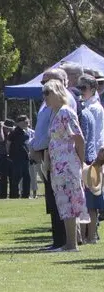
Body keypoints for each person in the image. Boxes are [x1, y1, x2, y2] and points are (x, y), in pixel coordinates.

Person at [43, 78, 87, 251]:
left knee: (70, 202)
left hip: (68, 165)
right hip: (59, 166)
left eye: (48, 93)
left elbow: (79, 139)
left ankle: (71, 244)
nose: (44, 97)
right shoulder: (55, 113)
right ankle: (72, 241)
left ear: (57, 93)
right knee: (64, 202)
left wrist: (81, 163)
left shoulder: (65, 112)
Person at [30, 68, 71, 250]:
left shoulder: (65, 102)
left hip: (57, 154)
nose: (43, 87)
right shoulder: (47, 102)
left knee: (59, 199)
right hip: (46, 153)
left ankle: (64, 240)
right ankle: (58, 239)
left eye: (47, 82)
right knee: (52, 199)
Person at [77, 74, 104, 243]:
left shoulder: (94, 108)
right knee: (87, 198)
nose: (81, 91)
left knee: (92, 199)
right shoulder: (85, 106)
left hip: (93, 156)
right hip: (90, 155)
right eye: (79, 88)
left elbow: (96, 135)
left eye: (84, 88)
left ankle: (91, 234)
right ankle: (89, 234)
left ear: (93, 89)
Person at [7, 117, 32, 199]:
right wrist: (9, 154)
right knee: (16, 178)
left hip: (25, 158)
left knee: (27, 177)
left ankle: (26, 195)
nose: (27, 124)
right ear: (19, 122)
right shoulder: (14, 132)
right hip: (16, 158)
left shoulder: (25, 132)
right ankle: (14, 195)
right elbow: (8, 143)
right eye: (25, 122)